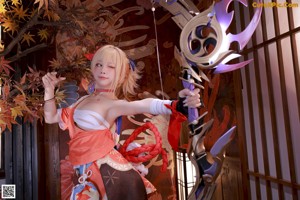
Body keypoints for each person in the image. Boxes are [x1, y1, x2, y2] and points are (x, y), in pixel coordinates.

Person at [42, 45, 201, 200]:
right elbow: (50, 117)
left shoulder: (114, 105)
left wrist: (176, 105)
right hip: (85, 172)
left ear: (121, 74)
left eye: (111, 66)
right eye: (99, 64)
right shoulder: (81, 100)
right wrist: (49, 90)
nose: (103, 70)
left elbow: (142, 105)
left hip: (103, 171)